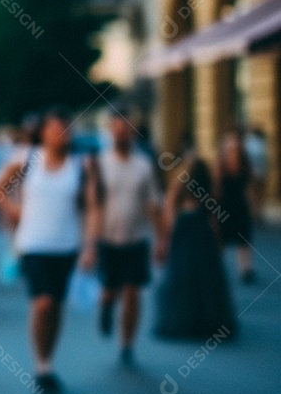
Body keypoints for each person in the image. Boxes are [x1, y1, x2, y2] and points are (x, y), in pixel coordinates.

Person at [0, 107, 97, 394]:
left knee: (57, 304)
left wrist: (90, 246)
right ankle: (41, 364)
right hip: (33, 244)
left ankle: (48, 360)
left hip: (66, 246)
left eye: (65, 129)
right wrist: (14, 211)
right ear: (44, 133)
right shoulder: (27, 159)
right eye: (54, 129)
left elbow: (91, 208)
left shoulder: (80, 164)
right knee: (43, 302)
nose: (61, 134)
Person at [87, 113, 163, 366]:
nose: (121, 133)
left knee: (132, 292)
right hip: (108, 239)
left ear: (133, 131)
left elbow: (153, 204)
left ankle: (127, 344)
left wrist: (161, 238)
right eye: (117, 129)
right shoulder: (101, 163)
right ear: (111, 131)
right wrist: (90, 244)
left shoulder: (144, 165)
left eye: (126, 129)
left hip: (136, 239)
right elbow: (94, 205)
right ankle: (106, 306)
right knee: (110, 290)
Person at [154, 155, 236, 340]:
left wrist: (164, 242)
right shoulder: (208, 192)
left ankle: (183, 319)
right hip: (203, 241)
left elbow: (169, 218)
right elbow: (214, 221)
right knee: (206, 282)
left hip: (182, 240)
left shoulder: (178, 192)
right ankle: (205, 321)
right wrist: (218, 244)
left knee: (181, 280)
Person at [216, 129, 256, 284]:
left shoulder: (245, 165)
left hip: (240, 206)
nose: (234, 150)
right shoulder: (220, 166)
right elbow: (216, 188)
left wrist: (252, 207)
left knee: (243, 239)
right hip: (223, 206)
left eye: (236, 147)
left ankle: (245, 269)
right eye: (231, 148)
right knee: (221, 240)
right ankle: (216, 268)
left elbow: (249, 187)